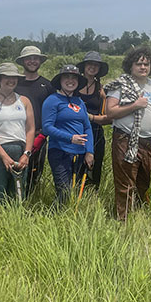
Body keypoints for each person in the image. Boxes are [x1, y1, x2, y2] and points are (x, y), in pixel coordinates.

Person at [104, 47, 151, 220]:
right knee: (125, 183)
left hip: (149, 143)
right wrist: (134, 105)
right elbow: (110, 112)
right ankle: (122, 221)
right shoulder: (121, 84)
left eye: (146, 64)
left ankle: (138, 216)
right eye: (138, 64)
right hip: (126, 140)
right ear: (130, 66)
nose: (143, 67)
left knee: (144, 182)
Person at [0, 63, 35, 202]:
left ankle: (16, 221)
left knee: (17, 195)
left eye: (14, 77)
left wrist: (26, 154)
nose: (11, 80)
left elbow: (30, 129)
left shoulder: (24, 101)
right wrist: (4, 156)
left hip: (20, 152)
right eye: (7, 77)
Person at [42, 65, 94, 208]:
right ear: (60, 81)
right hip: (60, 151)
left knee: (76, 191)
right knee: (64, 191)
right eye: (66, 77)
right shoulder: (52, 100)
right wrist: (70, 138)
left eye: (74, 78)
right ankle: (53, 217)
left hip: (80, 153)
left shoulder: (79, 102)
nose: (70, 81)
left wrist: (90, 151)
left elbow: (87, 127)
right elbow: (47, 128)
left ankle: (70, 220)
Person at [14, 45, 54, 197]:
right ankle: (12, 199)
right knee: (14, 168)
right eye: (28, 58)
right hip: (15, 135)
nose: (32, 61)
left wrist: (43, 135)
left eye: (35, 58)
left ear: (40, 61)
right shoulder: (15, 83)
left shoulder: (47, 85)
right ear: (23, 61)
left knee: (34, 172)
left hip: (38, 135)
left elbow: (51, 113)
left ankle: (29, 201)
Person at [76, 51, 111, 191]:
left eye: (96, 65)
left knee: (95, 167)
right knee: (76, 166)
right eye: (89, 64)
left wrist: (89, 116)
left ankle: (92, 195)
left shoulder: (101, 89)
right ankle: (75, 194)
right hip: (76, 132)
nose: (92, 67)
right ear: (84, 66)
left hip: (96, 132)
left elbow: (107, 116)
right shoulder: (74, 85)